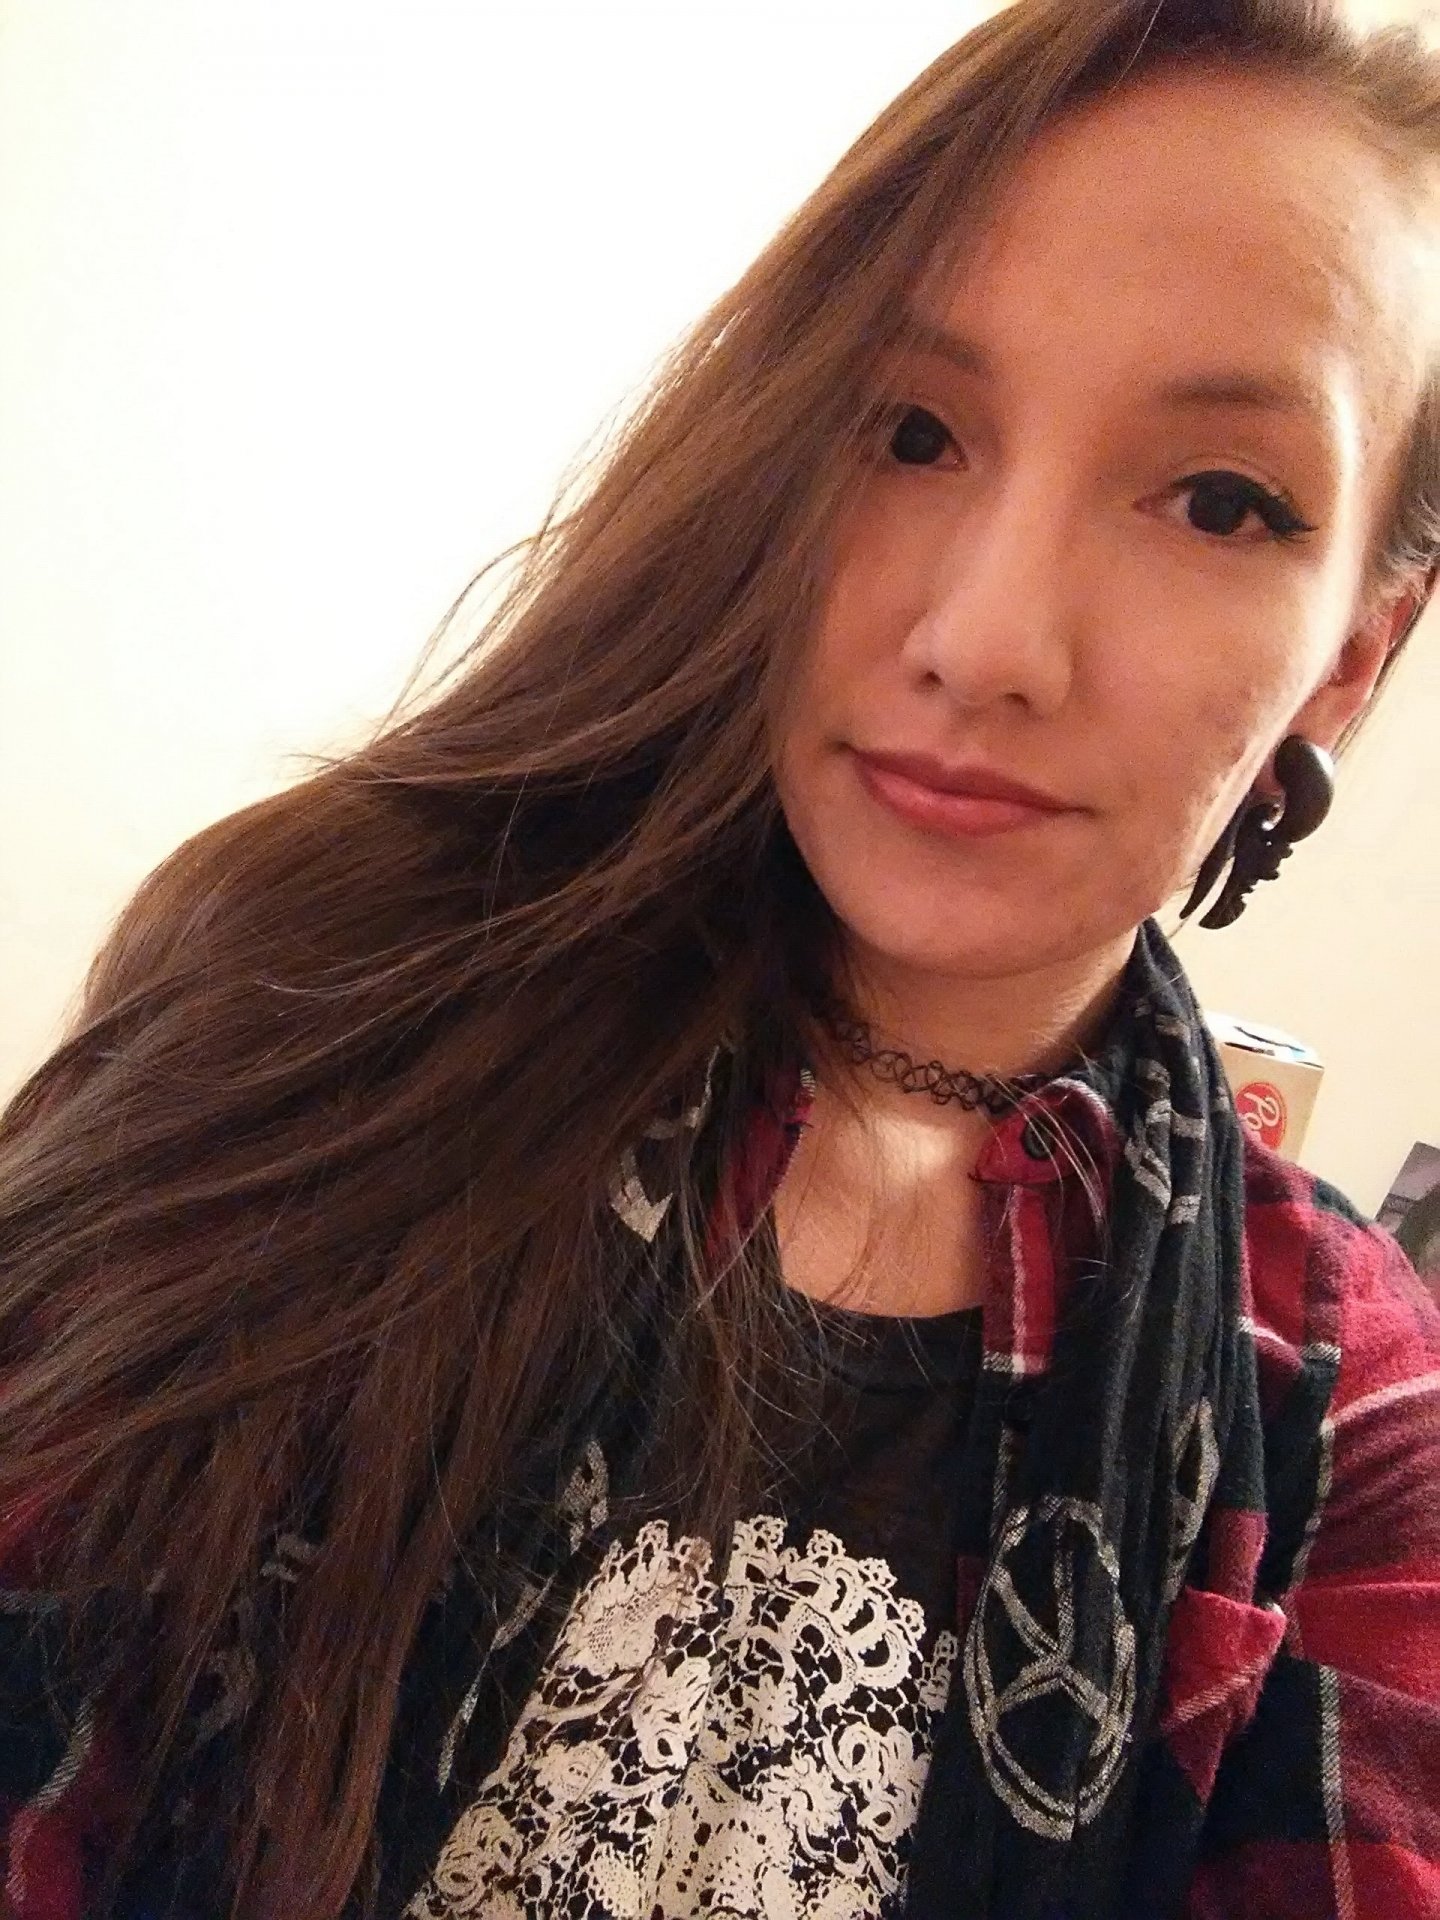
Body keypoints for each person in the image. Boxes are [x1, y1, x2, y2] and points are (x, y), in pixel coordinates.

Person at [2, 0, 1439, 1914]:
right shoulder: (309, 1009)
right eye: (910, 431)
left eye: (1220, 501)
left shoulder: (1335, 1400)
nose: (988, 640)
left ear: (1351, 657)